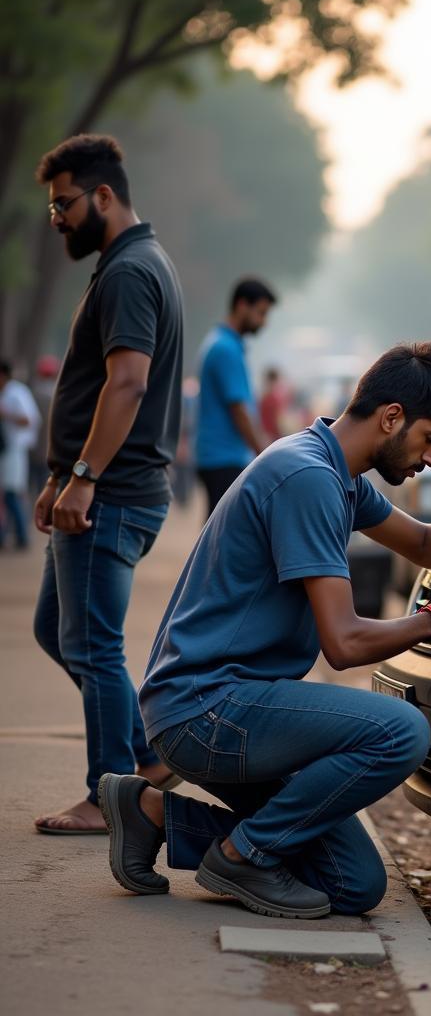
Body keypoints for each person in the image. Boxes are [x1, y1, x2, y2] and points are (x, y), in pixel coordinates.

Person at [97, 342, 431, 918]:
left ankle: (149, 814)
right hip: (209, 712)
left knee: (353, 885)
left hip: (228, 707)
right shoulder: (308, 479)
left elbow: (419, 542)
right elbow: (342, 645)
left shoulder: (332, 469)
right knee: (401, 731)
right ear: (391, 417)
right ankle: (242, 856)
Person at [32, 133, 184, 834]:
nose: (56, 218)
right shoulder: (129, 262)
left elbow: (127, 383)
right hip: (101, 486)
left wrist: (85, 478)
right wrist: (62, 475)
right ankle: (143, 760)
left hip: (115, 493)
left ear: (102, 195)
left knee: (92, 644)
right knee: (57, 630)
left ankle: (109, 795)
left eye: (63, 204)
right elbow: (101, 383)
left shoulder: (128, 271)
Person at [194, 278, 276, 516]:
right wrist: (264, 452)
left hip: (217, 456)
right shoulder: (226, 349)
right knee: (222, 534)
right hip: (224, 458)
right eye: (260, 313)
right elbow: (239, 410)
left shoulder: (221, 343)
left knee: (218, 529)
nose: (263, 321)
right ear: (242, 305)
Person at [0, 360, 41, 550]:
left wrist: (6, 414)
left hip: (14, 450)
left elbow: (28, 420)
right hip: (5, 450)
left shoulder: (16, 393)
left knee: (12, 494)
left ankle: (22, 535)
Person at [29, 354, 60, 498]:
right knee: (43, 487)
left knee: (30, 484)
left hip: (32, 447)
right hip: (49, 449)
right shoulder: (57, 393)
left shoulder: (33, 392)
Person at [258, 366, 288, 441]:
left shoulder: (263, 397)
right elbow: (279, 421)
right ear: (276, 380)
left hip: (265, 435)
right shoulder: (275, 398)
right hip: (275, 437)